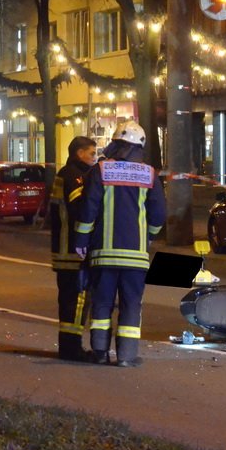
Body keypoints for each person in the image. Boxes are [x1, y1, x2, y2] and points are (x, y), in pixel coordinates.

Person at [74, 121, 166, 367]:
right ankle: (126, 356)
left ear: (116, 144)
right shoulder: (149, 174)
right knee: (131, 305)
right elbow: (158, 215)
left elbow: (88, 209)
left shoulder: (101, 171)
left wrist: (81, 239)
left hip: (103, 254)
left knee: (102, 304)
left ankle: (100, 352)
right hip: (136, 257)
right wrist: (148, 236)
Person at [50, 135, 98, 361]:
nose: (95, 158)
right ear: (80, 153)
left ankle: (69, 347)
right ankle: (72, 349)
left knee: (71, 301)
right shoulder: (73, 175)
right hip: (72, 250)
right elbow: (81, 208)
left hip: (66, 249)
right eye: (92, 153)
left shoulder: (69, 173)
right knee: (76, 301)